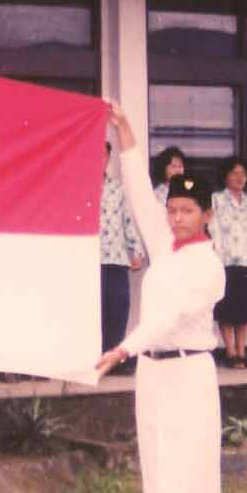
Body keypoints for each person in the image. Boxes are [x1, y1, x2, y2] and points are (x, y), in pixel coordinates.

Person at [96, 106, 226, 493]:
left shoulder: (208, 267)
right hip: (154, 376)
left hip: (190, 374)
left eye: (188, 210)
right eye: (172, 209)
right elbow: (133, 184)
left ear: (207, 215)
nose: (175, 218)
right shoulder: (164, 247)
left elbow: (169, 320)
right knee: (165, 484)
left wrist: (121, 349)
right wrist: (122, 130)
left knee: (197, 487)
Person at [210, 156, 247, 369]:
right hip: (225, 260)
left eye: (243, 173)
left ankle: (242, 350)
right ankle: (230, 352)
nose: (239, 177)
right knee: (226, 309)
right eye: (234, 173)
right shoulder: (216, 199)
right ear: (225, 176)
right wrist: (218, 260)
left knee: (244, 309)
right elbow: (213, 229)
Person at [98, 141, 145, 364]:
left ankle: (113, 358)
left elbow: (127, 220)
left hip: (116, 258)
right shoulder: (76, 186)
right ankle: (93, 357)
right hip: (89, 259)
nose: (100, 158)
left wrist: (135, 249)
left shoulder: (117, 188)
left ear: (109, 158)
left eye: (104, 154)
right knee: (92, 310)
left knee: (117, 307)